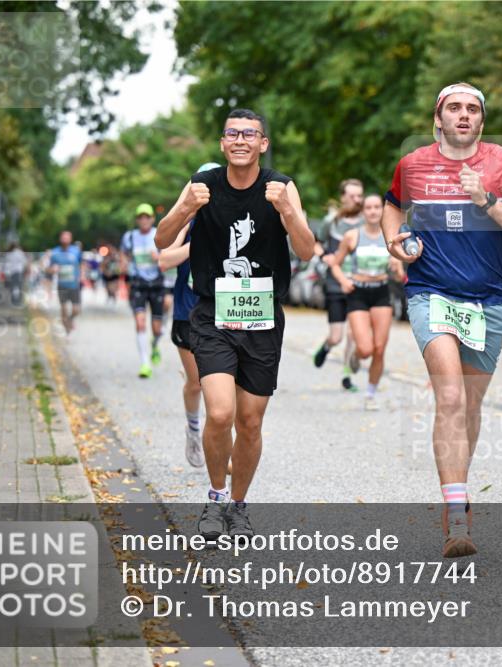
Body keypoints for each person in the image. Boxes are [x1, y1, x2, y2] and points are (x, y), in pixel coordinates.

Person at [382, 82, 502, 557]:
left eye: (473, 109)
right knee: (448, 393)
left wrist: (488, 201)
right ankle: (457, 519)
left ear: (482, 121)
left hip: (487, 301)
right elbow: (393, 206)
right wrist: (395, 242)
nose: (464, 115)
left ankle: (459, 489)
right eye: (454, 107)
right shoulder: (412, 165)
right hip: (431, 293)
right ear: (439, 117)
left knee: (468, 407)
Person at [155, 109, 314, 541]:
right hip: (211, 313)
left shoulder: (280, 187)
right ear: (223, 143)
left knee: (250, 422)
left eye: (250, 133)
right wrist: (185, 207)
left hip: (262, 317)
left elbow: (306, 250)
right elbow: (162, 240)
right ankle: (215, 497)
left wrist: (288, 212)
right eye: (232, 133)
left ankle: (239, 506)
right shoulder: (202, 186)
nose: (240, 139)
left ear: (263, 143)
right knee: (220, 412)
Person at [158, 162, 222, 469]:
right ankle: (194, 430)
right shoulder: (187, 222)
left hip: (225, 311)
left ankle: (218, 446)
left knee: (222, 386)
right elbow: (164, 259)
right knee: (197, 383)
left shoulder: (231, 219)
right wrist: (196, 246)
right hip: (188, 312)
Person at [327, 194, 403, 411]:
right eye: (368, 208)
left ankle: (370, 394)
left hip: (380, 293)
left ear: (382, 211)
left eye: (376, 207)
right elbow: (335, 264)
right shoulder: (352, 236)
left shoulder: (391, 237)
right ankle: (355, 355)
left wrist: (397, 267)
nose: (372, 211)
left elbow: (398, 275)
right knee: (366, 348)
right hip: (358, 293)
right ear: (363, 212)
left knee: (379, 349)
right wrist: (343, 281)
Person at [311, 179, 364, 391]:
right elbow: (315, 242)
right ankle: (326, 347)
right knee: (337, 336)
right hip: (335, 283)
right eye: (352, 196)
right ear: (343, 197)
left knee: (354, 334)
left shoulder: (366, 221)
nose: (356, 200)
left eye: (359, 195)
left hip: (359, 284)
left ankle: (346, 376)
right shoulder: (331, 222)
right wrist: (325, 256)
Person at [121, 203, 166, 378]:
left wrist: (159, 257)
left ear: (152, 219)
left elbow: (169, 255)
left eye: (147, 217)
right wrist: (124, 263)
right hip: (138, 284)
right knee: (140, 323)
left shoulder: (159, 234)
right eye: (141, 217)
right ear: (137, 220)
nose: (144, 220)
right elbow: (124, 253)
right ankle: (145, 363)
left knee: (156, 329)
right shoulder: (130, 237)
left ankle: (154, 345)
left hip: (156, 285)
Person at [47, 230, 83, 333]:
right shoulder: (55, 252)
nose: (65, 239)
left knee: (77, 310)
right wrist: (52, 269)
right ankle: (67, 330)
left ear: (71, 239)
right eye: (63, 237)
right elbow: (48, 269)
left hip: (74, 285)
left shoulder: (76, 251)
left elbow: (81, 264)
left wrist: (81, 275)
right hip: (62, 285)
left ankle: (70, 319)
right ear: (60, 238)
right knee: (64, 309)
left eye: (67, 237)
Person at [3, 242, 28, 307]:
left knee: (12, 287)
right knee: (19, 287)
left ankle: (13, 301)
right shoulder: (19, 253)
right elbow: (25, 262)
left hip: (11, 273)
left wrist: (6, 273)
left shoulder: (8, 254)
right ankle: (18, 301)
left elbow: (6, 264)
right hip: (19, 272)